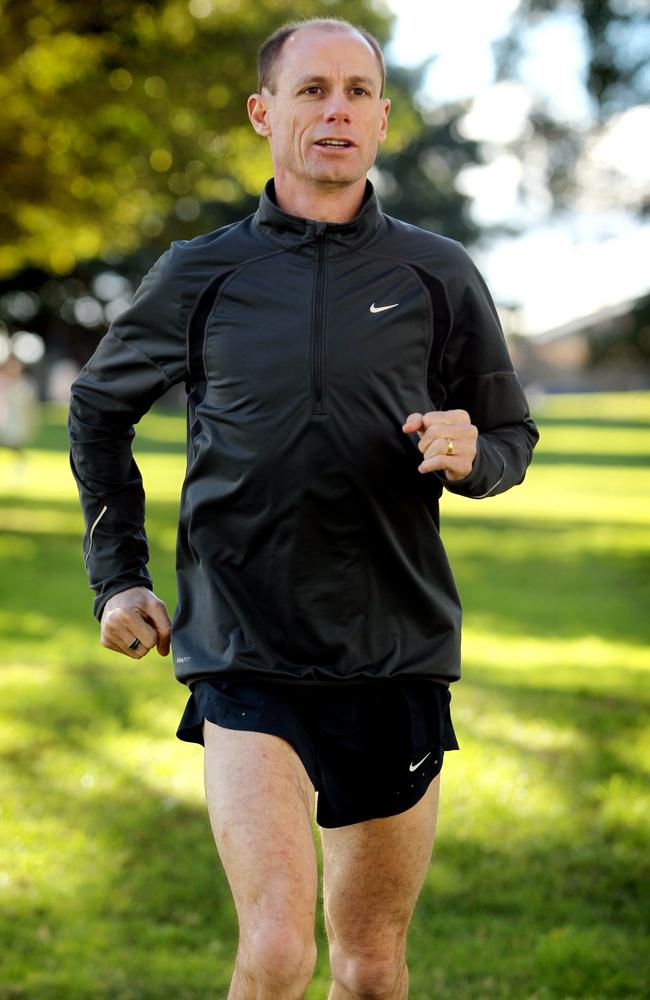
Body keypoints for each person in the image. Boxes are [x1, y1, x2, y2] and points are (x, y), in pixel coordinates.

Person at [68, 17, 539, 999]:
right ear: (262, 112)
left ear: (379, 116)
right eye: (312, 89)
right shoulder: (200, 273)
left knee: (369, 969)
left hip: (395, 648)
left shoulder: (437, 271)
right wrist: (118, 578)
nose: (336, 109)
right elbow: (98, 410)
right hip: (244, 644)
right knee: (278, 951)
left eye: (357, 91)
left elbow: (507, 437)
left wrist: (470, 458)